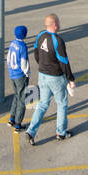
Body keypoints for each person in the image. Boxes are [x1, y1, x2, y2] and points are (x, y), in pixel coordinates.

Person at [25, 13, 74, 146]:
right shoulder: (58, 40)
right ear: (55, 24)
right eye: (58, 22)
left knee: (42, 105)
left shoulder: (40, 35)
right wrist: (70, 78)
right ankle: (61, 132)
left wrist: (42, 65)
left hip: (43, 75)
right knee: (62, 104)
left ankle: (31, 131)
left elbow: (35, 52)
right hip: (55, 77)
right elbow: (64, 61)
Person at [7, 23, 31, 132]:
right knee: (22, 99)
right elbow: (24, 62)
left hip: (12, 73)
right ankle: (18, 123)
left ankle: (12, 117)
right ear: (25, 35)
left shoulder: (12, 44)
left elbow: (8, 58)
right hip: (20, 75)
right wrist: (27, 73)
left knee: (16, 95)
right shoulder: (23, 46)